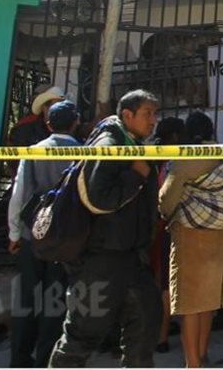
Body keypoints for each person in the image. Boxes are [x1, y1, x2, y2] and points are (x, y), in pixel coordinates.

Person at [49, 90, 161, 368]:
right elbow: (99, 198)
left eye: (155, 114)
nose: (154, 121)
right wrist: (136, 175)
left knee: (146, 320)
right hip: (100, 259)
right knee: (82, 334)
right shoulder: (109, 143)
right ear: (128, 115)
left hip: (129, 256)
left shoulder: (131, 143)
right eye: (148, 113)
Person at [159, 111, 223, 368]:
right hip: (221, 235)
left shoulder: (186, 159)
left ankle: (192, 363)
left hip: (190, 235)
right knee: (208, 302)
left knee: (189, 305)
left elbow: (166, 200)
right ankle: (203, 355)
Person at [7, 100, 81, 369]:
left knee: (27, 298)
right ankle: (46, 359)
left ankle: (19, 359)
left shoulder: (34, 152)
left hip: (32, 237)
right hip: (64, 241)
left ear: (48, 124)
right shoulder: (82, 154)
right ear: (75, 123)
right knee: (56, 300)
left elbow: (19, 194)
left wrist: (15, 233)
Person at [150, 116, 187, 355]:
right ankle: (161, 336)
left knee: (159, 280)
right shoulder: (173, 160)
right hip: (169, 226)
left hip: (154, 227)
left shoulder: (152, 155)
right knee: (168, 284)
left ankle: (158, 331)